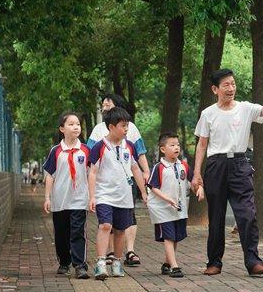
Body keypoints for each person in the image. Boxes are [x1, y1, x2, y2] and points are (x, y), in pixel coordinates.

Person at [192, 68, 263, 276]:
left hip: (240, 165)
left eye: (233, 84)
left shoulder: (245, 108)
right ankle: (214, 262)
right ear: (215, 89)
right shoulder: (208, 114)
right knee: (216, 217)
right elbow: (202, 145)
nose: (231, 88)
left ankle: (253, 262)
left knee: (247, 214)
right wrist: (197, 173)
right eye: (226, 85)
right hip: (216, 166)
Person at [88, 93, 150, 266]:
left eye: (108, 103)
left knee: (122, 226)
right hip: (104, 191)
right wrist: (91, 195)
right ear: (111, 126)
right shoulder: (99, 137)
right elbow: (91, 167)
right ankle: (103, 259)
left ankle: (122, 257)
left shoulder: (129, 140)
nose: (105, 106)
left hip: (124, 188)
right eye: (103, 104)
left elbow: (137, 163)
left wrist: (145, 187)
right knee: (106, 225)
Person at [147, 133, 205, 278]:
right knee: (168, 236)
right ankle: (175, 267)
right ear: (162, 149)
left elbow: (193, 182)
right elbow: (153, 186)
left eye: (177, 144)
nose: (176, 147)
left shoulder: (184, 165)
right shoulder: (158, 167)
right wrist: (166, 199)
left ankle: (167, 264)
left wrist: (199, 189)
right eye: (172, 145)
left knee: (176, 237)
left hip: (179, 208)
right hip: (161, 208)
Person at [42, 112, 91, 279]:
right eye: (70, 124)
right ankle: (64, 262)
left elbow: (93, 174)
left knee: (77, 232)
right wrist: (47, 198)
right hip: (59, 200)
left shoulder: (85, 150)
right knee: (61, 234)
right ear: (62, 129)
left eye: (77, 124)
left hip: (79, 199)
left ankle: (80, 265)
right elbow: (50, 175)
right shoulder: (56, 151)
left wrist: (93, 197)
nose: (75, 126)